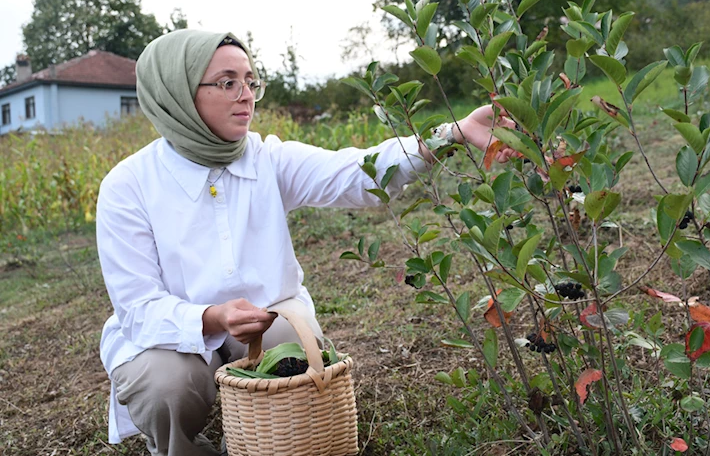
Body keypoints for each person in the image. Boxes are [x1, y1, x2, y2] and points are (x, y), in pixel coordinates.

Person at [96, 29, 513, 455]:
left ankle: (267, 441)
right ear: (178, 94)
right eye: (227, 82)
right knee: (165, 386)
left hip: (266, 318)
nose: (246, 95)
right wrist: (213, 316)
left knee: (296, 361)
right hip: (173, 336)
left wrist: (452, 134)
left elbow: (356, 172)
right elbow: (138, 306)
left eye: (251, 81)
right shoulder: (128, 186)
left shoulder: (265, 159)